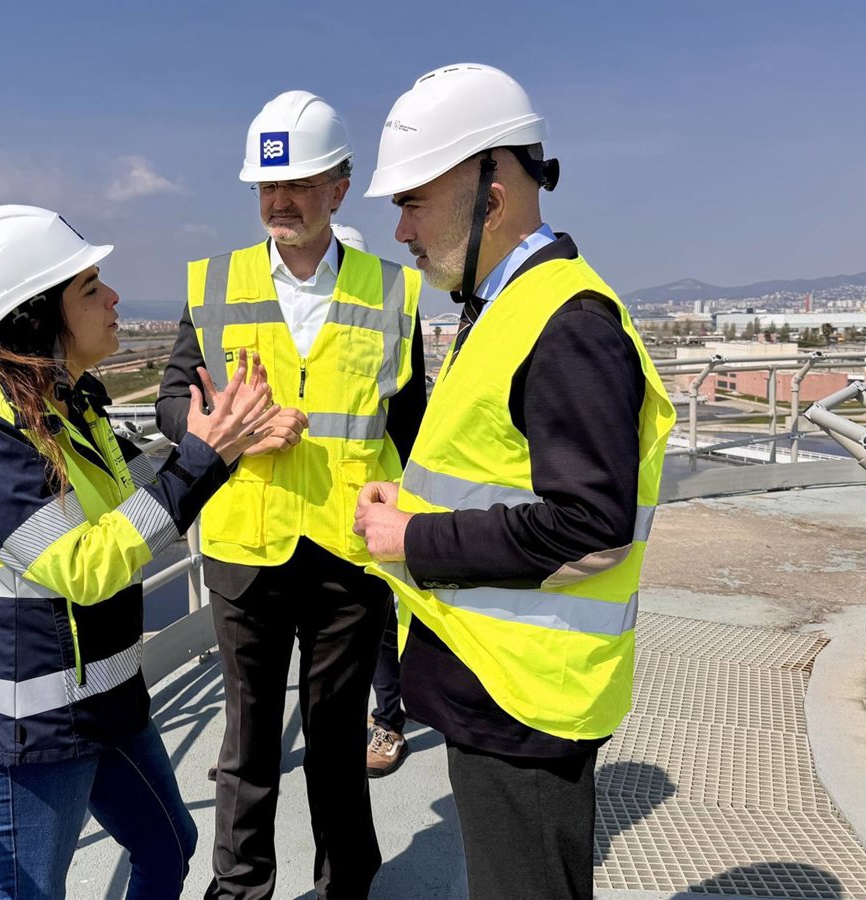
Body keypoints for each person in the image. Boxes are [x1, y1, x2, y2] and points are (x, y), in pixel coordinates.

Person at [353, 65, 676, 899]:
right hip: (499, 685)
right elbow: (500, 477)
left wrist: (414, 537)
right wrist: (410, 506)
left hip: (526, 702)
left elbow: (589, 526)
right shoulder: (504, 307)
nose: (400, 230)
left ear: (490, 196)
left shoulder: (568, 324)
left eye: (412, 202)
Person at [0, 204, 279, 900]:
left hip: (104, 700)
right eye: (90, 288)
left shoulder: (71, 404)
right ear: (35, 315)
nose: (114, 297)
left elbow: (143, 494)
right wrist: (203, 459)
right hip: (30, 728)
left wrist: (225, 447)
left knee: (168, 848)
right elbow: (85, 567)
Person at [156, 92, 427, 900]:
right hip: (248, 548)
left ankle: (346, 886)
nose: (280, 201)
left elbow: (414, 426)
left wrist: (423, 526)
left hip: (349, 549)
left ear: (339, 189)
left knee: (338, 739)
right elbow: (172, 401)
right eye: (267, 186)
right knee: (247, 743)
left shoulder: (392, 291)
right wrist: (231, 430)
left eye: (300, 184)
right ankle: (240, 891)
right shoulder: (216, 284)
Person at [329, 222, 410, 779]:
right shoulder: (300, 339)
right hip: (305, 519)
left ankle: (389, 722)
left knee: (380, 630)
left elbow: (408, 418)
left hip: (371, 511)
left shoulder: (390, 328)